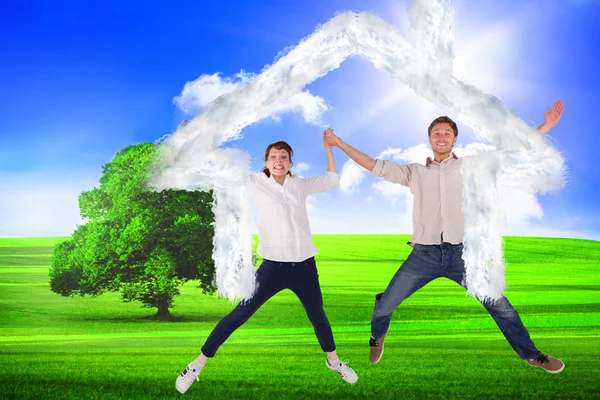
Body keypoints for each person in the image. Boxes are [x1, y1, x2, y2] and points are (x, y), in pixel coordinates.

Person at [324, 100, 566, 374]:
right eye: (436, 133)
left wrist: (546, 126)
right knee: (385, 306)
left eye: (446, 133)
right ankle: (377, 337)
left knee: (501, 306)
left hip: (463, 256)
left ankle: (533, 355)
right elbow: (374, 165)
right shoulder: (414, 172)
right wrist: (339, 143)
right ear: (429, 139)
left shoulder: (472, 166)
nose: (441, 137)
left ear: (455, 139)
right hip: (423, 256)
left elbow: (511, 153)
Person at [176, 129, 359, 394]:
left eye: (283, 157)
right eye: (273, 157)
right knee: (239, 314)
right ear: (266, 161)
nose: (278, 161)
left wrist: (329, 147)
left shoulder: (301, 185)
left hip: (305, 267)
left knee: (318, 316)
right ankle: (196, 365)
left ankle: (334, 361)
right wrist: (198, 137)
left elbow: (332, 179)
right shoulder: (254, 182)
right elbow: (224, 164)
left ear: (290, 162)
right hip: (272, 268)